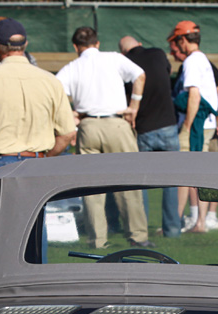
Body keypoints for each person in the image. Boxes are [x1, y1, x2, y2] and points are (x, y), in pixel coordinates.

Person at [57, 27, 149, 248]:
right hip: (117, 123)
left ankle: (97, 239)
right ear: (97, 43)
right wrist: (134, 105)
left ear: (75, 46)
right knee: (129, 182)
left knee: (91, 188)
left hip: (88, 125)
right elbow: (140, 76)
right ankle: (137, 236)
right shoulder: (114, 58)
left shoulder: (72, 67)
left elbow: (56, 91)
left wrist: (71, 115)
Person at [0, 19, 76, 182]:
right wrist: (45, 158)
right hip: (37, 163)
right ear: (25, 45)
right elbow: (68, 133)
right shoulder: (50, 81)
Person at [119, 35, 180, 238]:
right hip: (168, 125)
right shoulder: (158, 54)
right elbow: (167, 72)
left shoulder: (126, 65)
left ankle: (141, 228)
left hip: (143, 128)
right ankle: (172, 230)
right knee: (172, 181)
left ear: (123, 52)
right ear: (140, 44)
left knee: (140, 182)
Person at [167, 21, 218, 234]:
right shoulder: (202, 59)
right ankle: (198, 222)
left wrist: (186, 125)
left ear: (183, 40)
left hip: (197, 124)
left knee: (187, 174)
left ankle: (184, 222)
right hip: (206, 124)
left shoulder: (192, 62)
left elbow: (194, 95)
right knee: (198, 173)